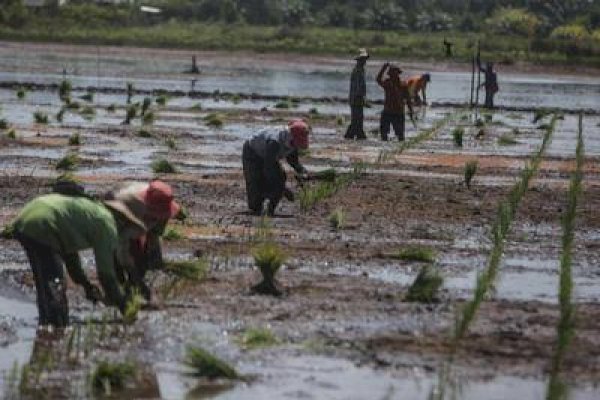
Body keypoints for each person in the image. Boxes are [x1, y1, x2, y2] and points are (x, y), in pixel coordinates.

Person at [11, 180, 179, 327]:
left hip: (26, 220)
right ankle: (56, 327)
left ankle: (47, 325)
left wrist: (85, 285)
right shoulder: (106, 227)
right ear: (125, 224)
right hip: (43, 224)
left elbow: (70, 256)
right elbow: (106, 275)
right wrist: (124, 306)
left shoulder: (92, 216)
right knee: (54, 284)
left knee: (45, 283)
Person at [105, 180, 181, 301]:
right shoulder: (127, 206)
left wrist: (154, 255)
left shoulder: (163, 202)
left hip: (139, 214)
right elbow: (121, 243)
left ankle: (131, 288)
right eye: (154, 215)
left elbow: (154, 234)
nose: (156, 218)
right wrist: (132, 272)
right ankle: (118, 294)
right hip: (117, 214)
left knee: (143, 260)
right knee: (116, 258)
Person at [242, 119, 309, 216]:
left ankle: (270, 210)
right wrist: (283, 189)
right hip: (252, 152)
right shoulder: (274, 142)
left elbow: (293, 161)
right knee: (256, 183)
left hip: (268, 156)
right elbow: (268, 167)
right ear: (292, 136)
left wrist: (302, 171)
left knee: (280, 178)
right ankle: (259, 204)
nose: (298, 145)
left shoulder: (292, 142)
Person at [376, 63, 414, 142]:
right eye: (391, 73)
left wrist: (410, 110)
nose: (392, 75)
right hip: (388, 111)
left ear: (398, 74)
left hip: (398, 112)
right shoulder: (388, 83)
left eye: (394, 72)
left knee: (400, 134)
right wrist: (383, 68)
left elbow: (408, 99)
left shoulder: (403, 85)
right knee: (384, 133)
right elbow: (378, 80)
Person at [344, 48, 369, 140]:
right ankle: (357, 135)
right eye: (363, 59)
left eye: (365, 59)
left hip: (357, 98)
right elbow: (358, 87)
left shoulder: (361, 70)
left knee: (357, 119)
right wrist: (362, 98)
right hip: (356, 98)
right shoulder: (358, 71)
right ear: (359, 60)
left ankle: (353, 135)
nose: (364, 61)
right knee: (357, 119)